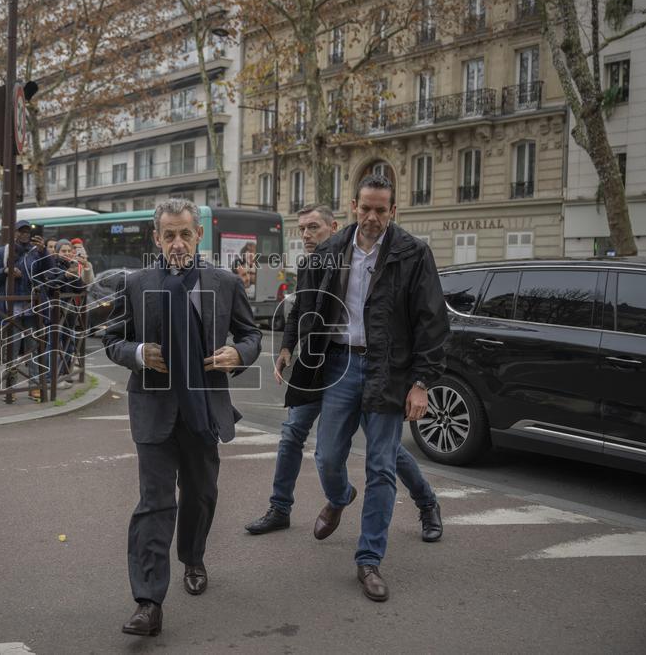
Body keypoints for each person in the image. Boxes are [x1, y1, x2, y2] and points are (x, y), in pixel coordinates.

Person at [280, 175, 448, 603]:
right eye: (366, 208)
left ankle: (369, 559)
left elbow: (432, 323)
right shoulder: (332, 249)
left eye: (381, 210)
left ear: (394, 211)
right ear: (353, 206)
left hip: (389, 368)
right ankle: (339, 496)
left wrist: (421, 382)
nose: (372, 217)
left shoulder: (413, 253)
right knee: (328, 455)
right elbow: (306, 299)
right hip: (338, 363)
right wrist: (288, 345)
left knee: (381, 466)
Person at [104, 199, 262, 637]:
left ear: (198, 236)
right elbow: (113, 339)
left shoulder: (225, 282)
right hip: (153, 412)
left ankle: (193, 556)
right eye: (168, 234)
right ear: (156, 238)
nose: (177, 243)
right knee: (155, 504)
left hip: (203, 411)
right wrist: (137, 353)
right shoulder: (135, 283)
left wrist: (239, 353)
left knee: (200, 494)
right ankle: (148, 602)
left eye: (185, 234)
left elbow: (251, 334)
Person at [245, 204, 443, 546]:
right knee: (294, 433)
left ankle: (426, 503)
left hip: (362, 367)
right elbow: (299, 311)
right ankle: (281, 508)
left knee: (388, 451)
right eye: (302, 228)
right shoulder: (312, 261)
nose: (306, 235)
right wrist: (287, 348)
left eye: (313, 228)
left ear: (334, 227)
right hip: (320, 366)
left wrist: (417, 378)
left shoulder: (353, 254)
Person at [0, 220, 47, 401]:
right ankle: (10, 387)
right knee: (11, 349)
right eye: (21, 231)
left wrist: (43, 251)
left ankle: (34, 386)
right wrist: (7, 270)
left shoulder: (35, 252)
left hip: (32, 307)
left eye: (27, 232)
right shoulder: (3, 251)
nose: (25, 235)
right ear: (14, 233)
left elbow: (47, 271)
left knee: (33, 348)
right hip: (11, 307)